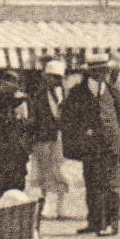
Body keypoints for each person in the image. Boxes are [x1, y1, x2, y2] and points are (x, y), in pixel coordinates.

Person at [60, 53, 120, 236]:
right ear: (91, 72)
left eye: (106, 71)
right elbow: (67, 119)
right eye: (99, 71)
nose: (103, 74)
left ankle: (112, 223)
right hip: (89, 147)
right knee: (93, 184)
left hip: (111, 146)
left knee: (111, 185)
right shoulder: (77, 93)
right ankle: (95, 222)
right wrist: (80, 135)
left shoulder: (113, 92)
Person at [29, 60, 71, 218]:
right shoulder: (39, 95)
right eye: (51, 76)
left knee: (60, 171)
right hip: (43, 137)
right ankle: (46, 206)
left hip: (60, 137)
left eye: (57, 77)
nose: (53, 80)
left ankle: (61, 207)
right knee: (44, 171)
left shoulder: (66, 94)